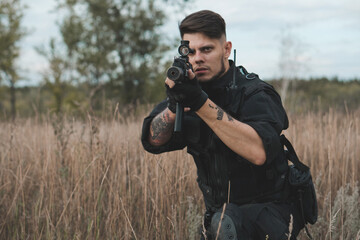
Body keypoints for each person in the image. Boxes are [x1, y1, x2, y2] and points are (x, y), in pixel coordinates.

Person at [141, 10, 304, 240]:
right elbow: (152, 140)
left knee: (226, 224)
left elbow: (258, 152)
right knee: (223, 222)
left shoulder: (255, 93)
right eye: (191, 51)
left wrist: (200, 103)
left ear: (226, 49)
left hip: (272, 212)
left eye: (207, 49)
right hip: (220, 217)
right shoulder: (189, 92)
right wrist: (172, 106)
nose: (198, 58)